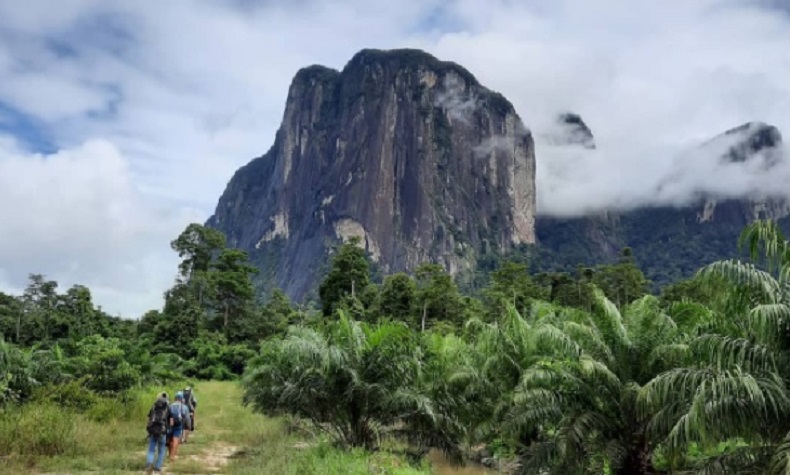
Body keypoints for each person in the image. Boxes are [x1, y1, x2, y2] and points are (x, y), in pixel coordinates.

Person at [145, 392, 169, 474]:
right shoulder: (167, 407)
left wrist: (148, 430)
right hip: (162, 431)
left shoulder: (153, 406)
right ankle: (157, 468)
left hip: (153, 430)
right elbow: (170, 420)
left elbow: (149, 419)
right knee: (161, 450)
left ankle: (148, 465)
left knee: (151, 449)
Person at [167, 391, 190, 460]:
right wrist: (188, 426)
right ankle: (173, 456)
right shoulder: (184, 407)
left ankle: (170, 454)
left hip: (170, 424)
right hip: (179, 424)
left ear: (175, 398)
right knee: (176, 439)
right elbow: (187, 418)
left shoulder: (170, 405)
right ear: (182, 398)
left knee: (170, 439)